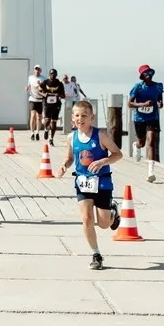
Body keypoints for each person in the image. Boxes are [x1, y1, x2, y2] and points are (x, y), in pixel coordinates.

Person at [57, 99, 122, 269]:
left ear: (92, 117)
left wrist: (102, 162)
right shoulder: (71, 137)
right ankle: (96, 254)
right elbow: (71, 157)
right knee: (86, 219)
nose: (80, 119)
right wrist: (64, 165)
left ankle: (113, 212)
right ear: (73, 118)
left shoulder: (100, 135)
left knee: (103, 224)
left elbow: (117, 154)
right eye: (77, 116)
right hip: (82, 181)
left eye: (84, 116)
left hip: (102, 182)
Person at [128, 64, 164, 182]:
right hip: (139, 118)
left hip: (153, 117)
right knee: (142, 142)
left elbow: (160, 98)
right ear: (142, 76)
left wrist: (160, 103)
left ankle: (150, 172)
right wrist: (143, 104)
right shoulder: (138, 87)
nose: (148, 75)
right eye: (146, 74)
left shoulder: (158, 86)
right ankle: (136, 146)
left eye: (150, 73)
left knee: (151, 141)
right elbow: (130, 104)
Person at [38, 68, 67, 146]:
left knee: (54, 122)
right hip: (47, 103)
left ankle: (51, 139)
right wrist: (44, 94)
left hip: (56, 104)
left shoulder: (59, 84)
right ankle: (46, 129)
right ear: (49, 75)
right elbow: (39, 90)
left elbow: (63, 95)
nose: (53, 75)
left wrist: (59, 95)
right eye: (51, 74)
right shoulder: (45, 82)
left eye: (54, 74)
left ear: (56, 75)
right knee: (47, 120)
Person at [25, 64, 45, 141]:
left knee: (39, 117)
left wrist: (41, 85)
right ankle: (32, 132)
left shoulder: (43, 78)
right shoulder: (30, 77)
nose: (37, 71)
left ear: (40, 70)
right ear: (34, 70)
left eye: (38, 69)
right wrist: (27, 87)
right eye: (36, 69)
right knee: (32, 116)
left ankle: (37, 132)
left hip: (40, 99)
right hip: (32, 98)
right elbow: (29, 85)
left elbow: (45, 87)